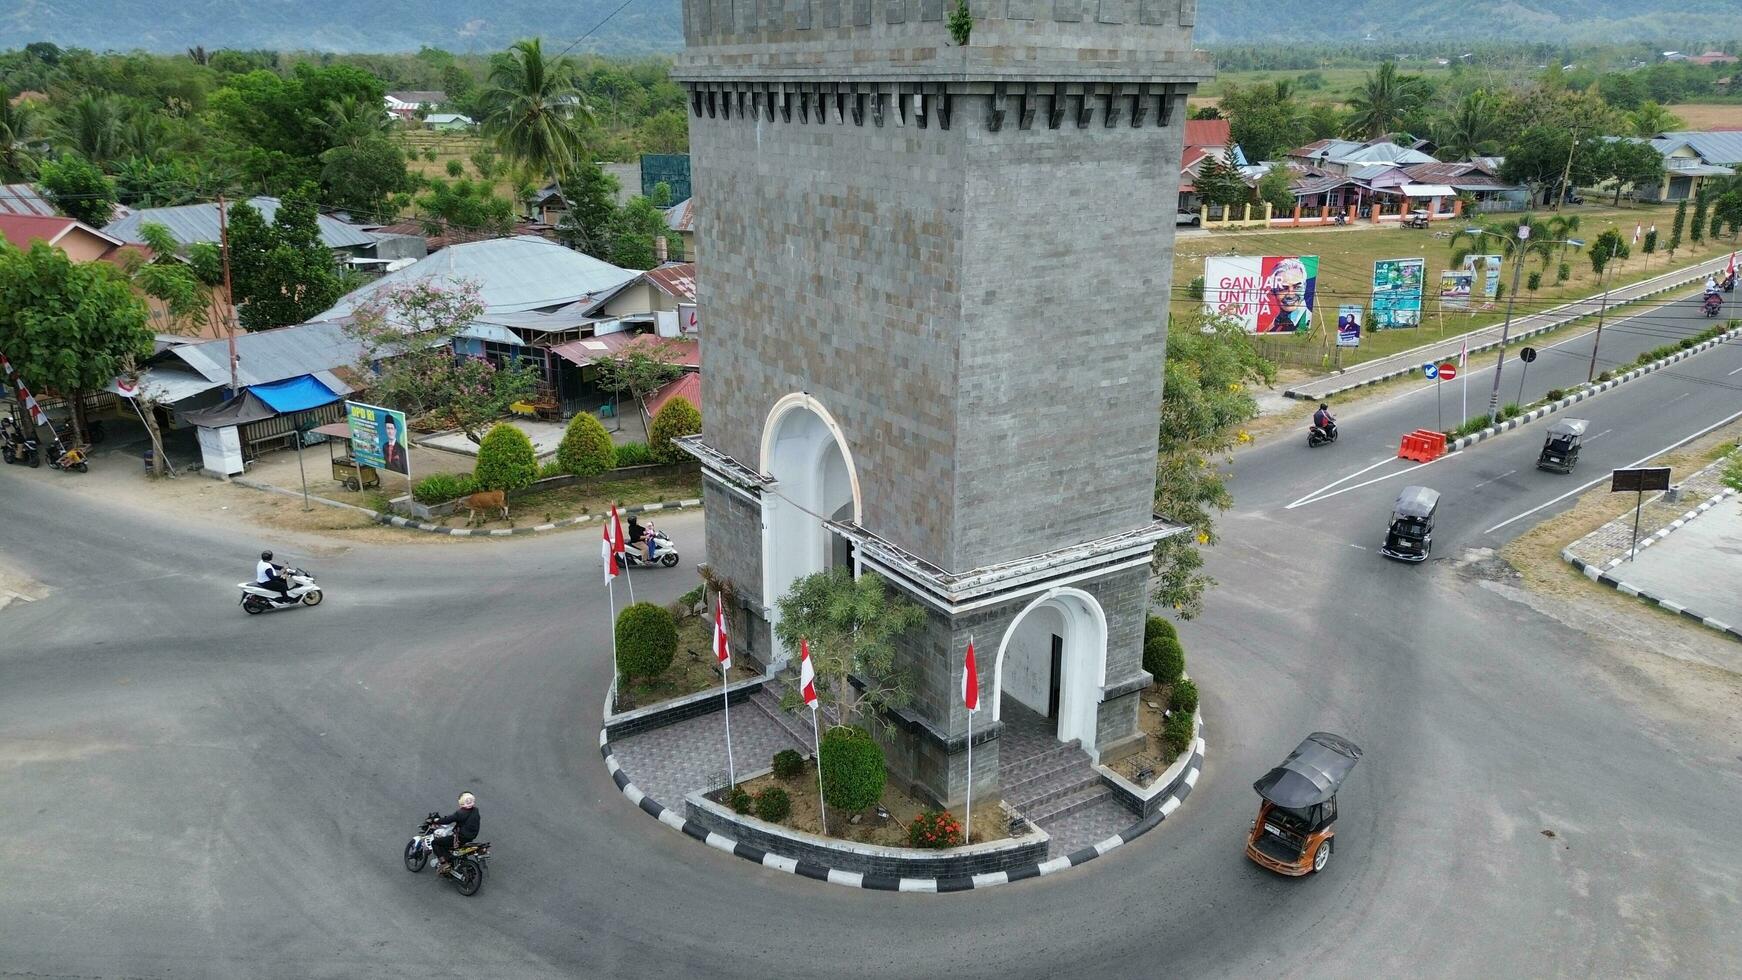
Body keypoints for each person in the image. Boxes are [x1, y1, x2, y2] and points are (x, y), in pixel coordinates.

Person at [432, 792, 480, 876]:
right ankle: (450, 859)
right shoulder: (475, 810)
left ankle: (444, 864)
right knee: (448, 843)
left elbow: (448, 820)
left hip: (460, 837)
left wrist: (436, 820)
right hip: (471, 836)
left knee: (435, 842)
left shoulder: (460, 813)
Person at [1264, 258, 1313, 333]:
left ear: (1305, 286)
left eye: (1297, 287)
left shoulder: (1307, 320)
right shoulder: (1273, 324)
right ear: (1274, 291)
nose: (1291, 295)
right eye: (1284, 288)